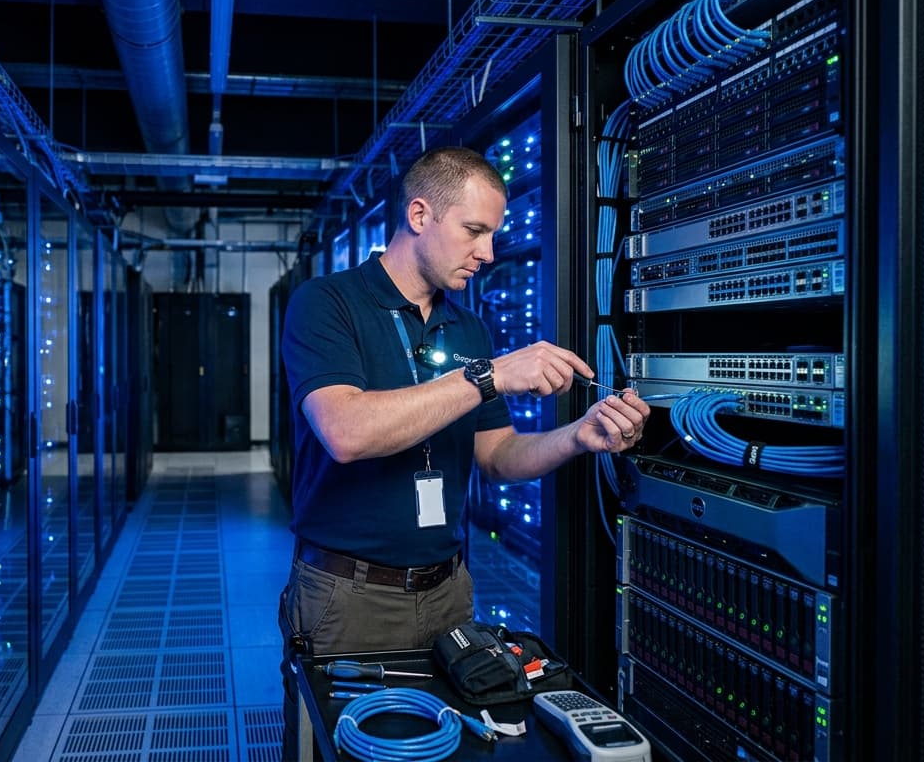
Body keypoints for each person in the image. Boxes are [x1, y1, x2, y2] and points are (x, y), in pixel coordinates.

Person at [276, 145, 650, 756]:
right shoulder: (328, 304)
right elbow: (345, 432)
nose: (489, 253)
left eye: (494, 234)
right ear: (419, 215)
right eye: (474, 230)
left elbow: (498, 456)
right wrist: (486, 377)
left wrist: (579, 436)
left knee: (456, 748)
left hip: (451, 593)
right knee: (353, 748)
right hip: (350, 597)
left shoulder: (468, 328)